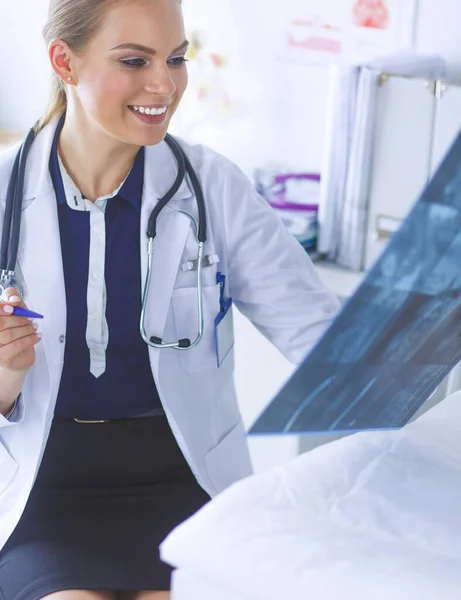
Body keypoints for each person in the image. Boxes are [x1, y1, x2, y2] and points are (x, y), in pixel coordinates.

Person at [0, 0, 340, 598]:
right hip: (39, 489)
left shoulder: (214, 188)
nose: (165, 84)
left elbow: (322, 340)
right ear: (65, 62)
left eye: (176, 59)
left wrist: (417, 324)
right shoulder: (5, 192)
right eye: (135, 60)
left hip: (181, 481)